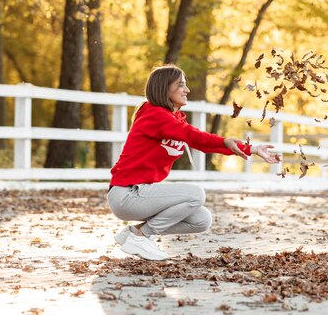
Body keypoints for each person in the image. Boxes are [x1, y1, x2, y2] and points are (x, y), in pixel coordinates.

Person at [108, 65, 280, 261]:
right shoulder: (155, 115)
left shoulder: (172, 119)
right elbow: (194, 136)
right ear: (164, 88)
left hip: (140, 193)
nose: (187, 90)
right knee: (195, 194)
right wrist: (225, 141)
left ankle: (134, 232)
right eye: (181, 85)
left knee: (201, 219)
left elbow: (201, 142)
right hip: (128, 194)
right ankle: (142, 236)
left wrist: (252, 149)